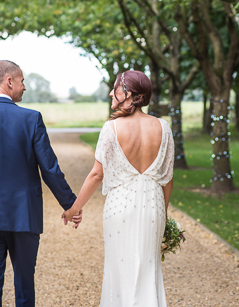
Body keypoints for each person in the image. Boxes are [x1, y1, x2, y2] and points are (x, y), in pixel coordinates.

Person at [0, 60, 82, 307]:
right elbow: (50, 168)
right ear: (9, 81)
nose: (25, 87)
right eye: (22, 81)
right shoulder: (31, 119)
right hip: (23, 214)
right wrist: (70, 204)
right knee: (24, 284)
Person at [63, 70, 174, 307]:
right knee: (148, 270)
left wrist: (74, 208)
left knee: (120, 270)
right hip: (153, 208)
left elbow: (97, 174)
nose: (111, 93)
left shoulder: (111, 128)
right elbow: (167, 179)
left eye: (116, 88)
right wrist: (162, 216)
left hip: (120, 207)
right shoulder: (163, 128)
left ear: (130, 94)